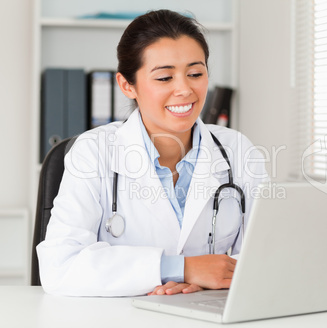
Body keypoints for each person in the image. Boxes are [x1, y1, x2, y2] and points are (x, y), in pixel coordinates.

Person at [37, 9, 268, 297]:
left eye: (195, 73)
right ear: (127, 85)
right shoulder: (93, 152)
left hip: (212, 313)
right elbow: (60, 266)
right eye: (164, 78)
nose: (184, 89)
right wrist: (181, 268)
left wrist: (205, 279)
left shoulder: (237, 150)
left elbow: (268, 258)